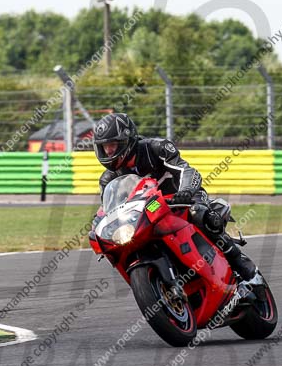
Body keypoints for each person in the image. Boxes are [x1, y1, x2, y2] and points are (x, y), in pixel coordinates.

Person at [92, 112, 264, 289]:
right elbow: (109, 209)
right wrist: (96, 225)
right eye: (105, 147)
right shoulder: (108, 179)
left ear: (126, 140)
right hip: (150, 212)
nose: (109, 151)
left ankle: (245, 270)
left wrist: (186, 191)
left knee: (201, 214)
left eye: (112, 145)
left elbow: (188, 171)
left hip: (180, 199)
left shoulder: (156, 148)